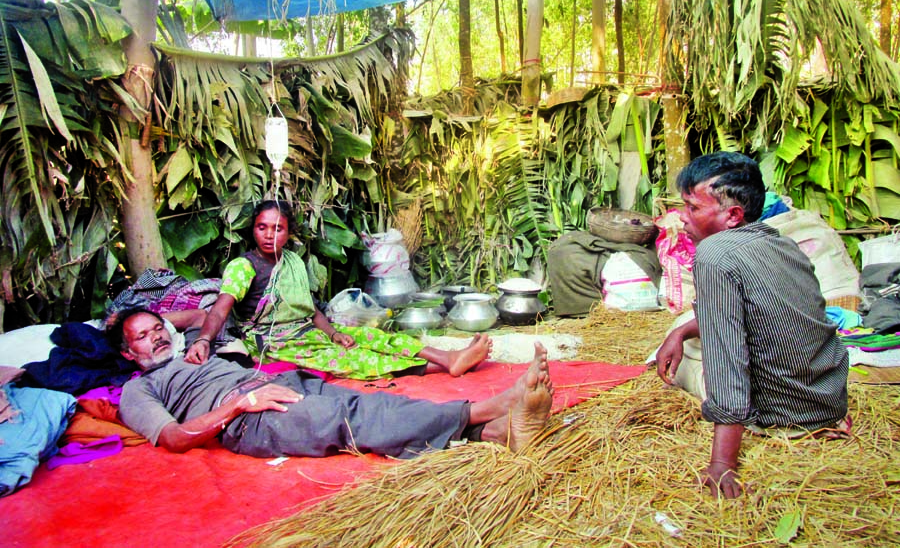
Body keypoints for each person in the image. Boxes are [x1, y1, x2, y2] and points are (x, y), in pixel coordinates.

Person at [654, 152, 849, 499]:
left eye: (692, 208)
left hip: (783, 412)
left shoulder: (714, 254)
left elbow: (727, 359)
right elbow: (770, 313)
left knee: (670, 363)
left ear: (732, 215)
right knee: (689, 333)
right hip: (826, 399)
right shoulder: (781, 242)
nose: (681, 219)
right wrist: (681, 331)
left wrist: (721, 463)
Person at [108, 308, 553, 458]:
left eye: (157, 327)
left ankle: (492, 434)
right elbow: (172, 438)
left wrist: (183, 331)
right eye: (142, 337)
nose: (157, 337)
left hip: (276, 383)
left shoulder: (193, 349)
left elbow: (203, 316)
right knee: (353, 417)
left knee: (362, 404)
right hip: (247, 418)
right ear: (129, 354)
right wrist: (241, 406)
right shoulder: (138, 390)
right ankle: (486, 409)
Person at [185, 200, 490, 380]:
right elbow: (221, 308)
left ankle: (450, 358)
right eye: (262, 227)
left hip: (309, 331)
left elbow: (311, 309)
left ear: (289, 234)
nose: (268, 235)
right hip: (277, 343)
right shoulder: (244, 267)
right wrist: (202, 340)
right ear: (253, 230)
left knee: (374, 336)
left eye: (277, 228)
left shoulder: (292, 260)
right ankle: (438, 367)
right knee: (358, 360)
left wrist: (333, 333)